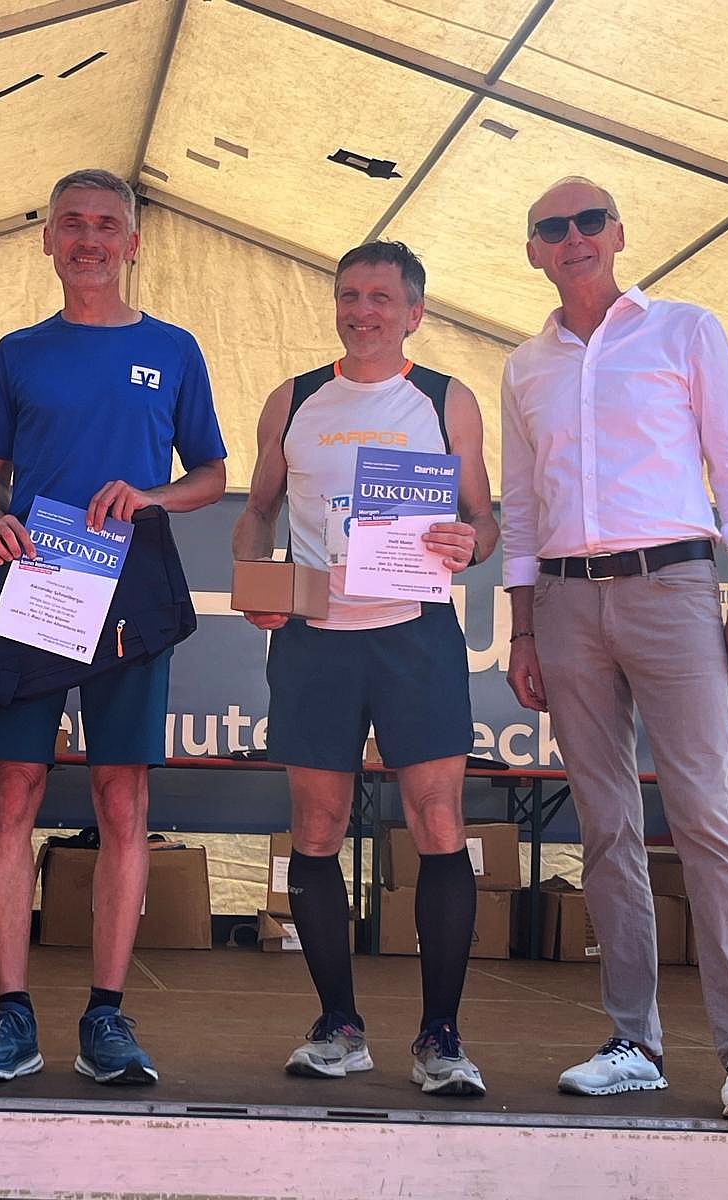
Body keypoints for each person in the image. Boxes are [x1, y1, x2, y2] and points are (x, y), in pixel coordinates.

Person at [501, 176, 728, 1120]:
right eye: (554, 227)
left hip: (674, 587)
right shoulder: (523, 367)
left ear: (618, 234)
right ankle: (635, 1042)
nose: (574, 237)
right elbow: (521, 507)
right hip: (564, 602)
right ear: (534, 250)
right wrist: (523, 625)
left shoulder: (687, 330)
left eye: (590, 221)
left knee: (705, 817)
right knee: (606, 827)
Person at [0, 168, 226, 1086]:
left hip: (130, 596)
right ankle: (11, 1014)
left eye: (107, 224)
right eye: (72, 222)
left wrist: (149, 497)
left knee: (122, 801)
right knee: (12, 794)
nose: (89, 239)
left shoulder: (174, 349)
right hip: (34, 586)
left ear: (132, 242)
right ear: (48, 239)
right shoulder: (18, 352)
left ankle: (106, 1015)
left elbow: (211, 475)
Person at [233, 240, 498, 1096]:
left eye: (381, 297)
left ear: (414, 312)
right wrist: (256, 580)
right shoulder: (295, 398)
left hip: (415, 632)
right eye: (350, 295)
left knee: (438, 821)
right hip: (317, 637)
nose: (363, 311)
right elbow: (259, 509)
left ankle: (441, 1037)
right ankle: (338, 1026)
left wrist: (467, 542)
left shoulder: (447, 399)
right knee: (315, 827)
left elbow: (484, 522)